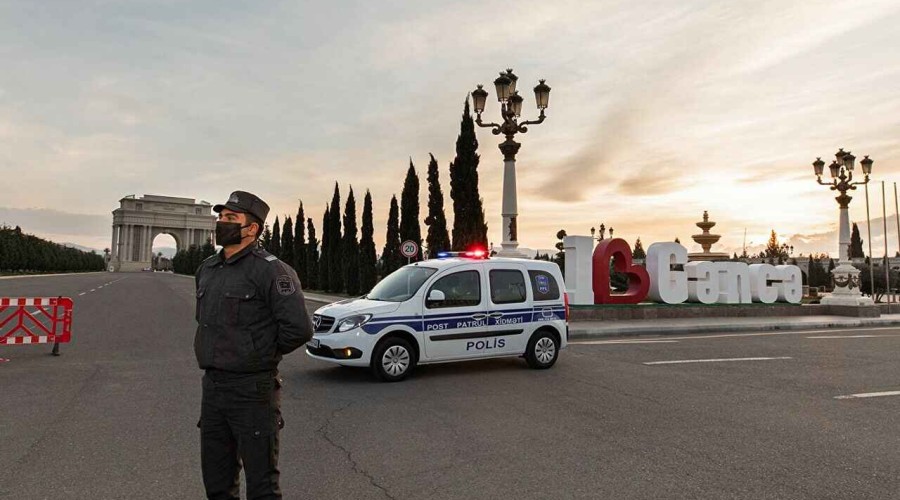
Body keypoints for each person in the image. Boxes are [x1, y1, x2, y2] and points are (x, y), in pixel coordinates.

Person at [194, 190, 313, 499]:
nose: (222, 223)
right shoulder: (207, 269)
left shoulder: (272, 271)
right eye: (221, 217)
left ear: (252, 229)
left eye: (231, 218)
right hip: (214, 389)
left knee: (261, 487)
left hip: (253, 392)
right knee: (217, 484)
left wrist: (257, 353)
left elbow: (298, 328)